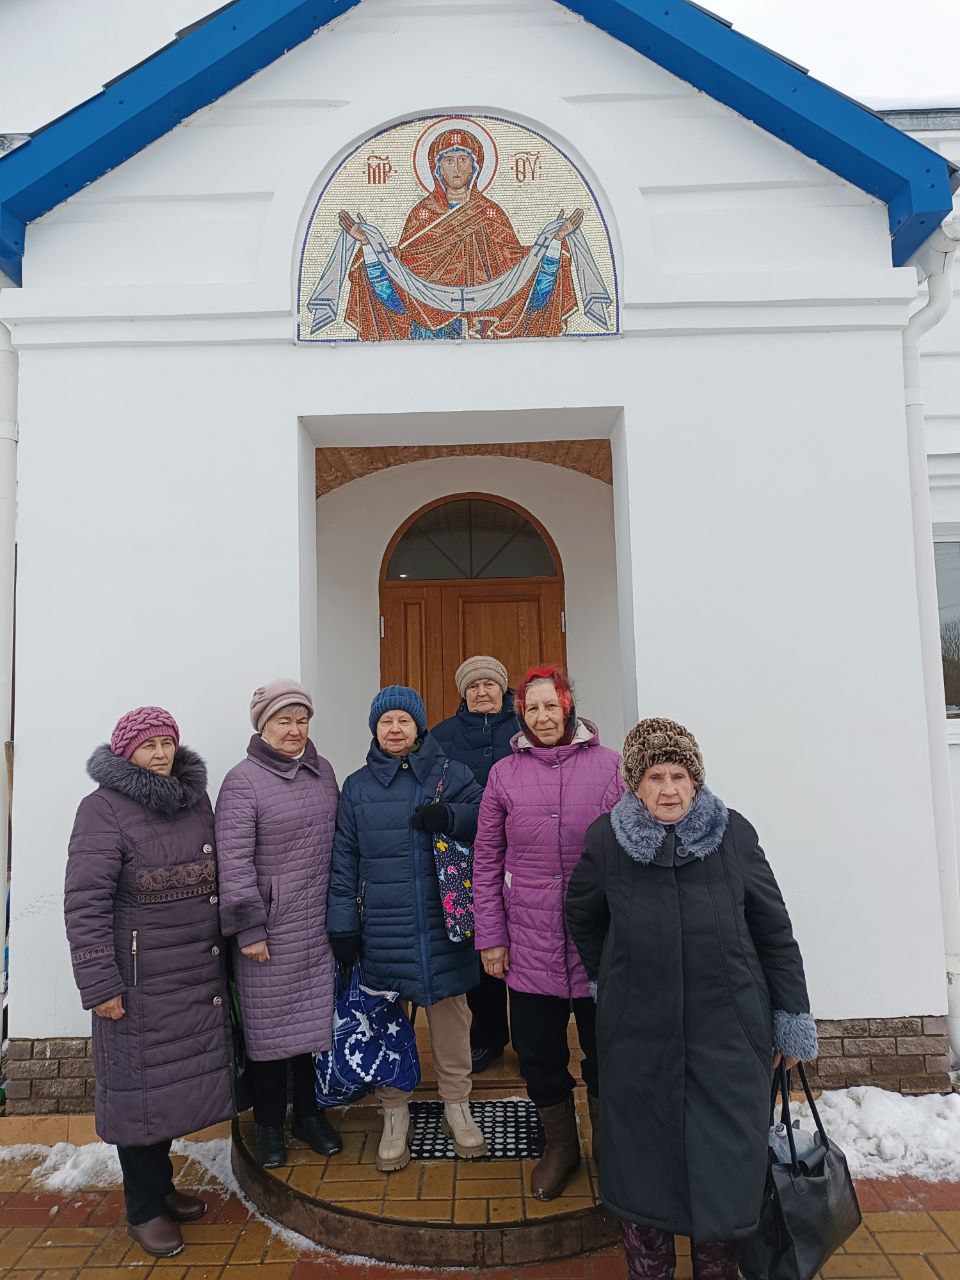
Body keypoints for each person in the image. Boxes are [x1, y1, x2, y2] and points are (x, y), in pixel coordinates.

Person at [564, 718, 818, 1280]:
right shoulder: (608, 840)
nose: (669, 789)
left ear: (696, 779)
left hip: (727, 1039)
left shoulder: (733, 835)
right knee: (644, 1185)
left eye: (679, 775)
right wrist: (613, 978)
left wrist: (790, 1020)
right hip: (639, 1043)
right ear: (635, 783)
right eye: (655, 776)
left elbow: (774, 930)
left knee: (725, 1186)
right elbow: (582, 915)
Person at [64, 707, 235, 1260]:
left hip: (191, 971)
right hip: (137, 982)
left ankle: (161, 1188)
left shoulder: (192, 801)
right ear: (125, 752)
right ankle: (142, 1209)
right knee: (138, 1091)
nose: (160, 753)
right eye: (148, 745)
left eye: (167, 742)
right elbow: (85, 904)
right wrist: (100, 985)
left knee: (167, 1088)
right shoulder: (102, 810)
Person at [472, 665, 624, 1200]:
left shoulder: (612, 769)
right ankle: (559, 1146)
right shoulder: (504, 776)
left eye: (550, 706)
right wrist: (491, 936)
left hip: (598, 943)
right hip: (530, 943)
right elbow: (486, 859)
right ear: (522, 715)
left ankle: (610, 1143)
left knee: (607, 1049)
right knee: (538, 1052)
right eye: (532, 708)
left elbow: (629, 851)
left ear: (568, 707)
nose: (542, 717)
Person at [327, 685, 487, 1172]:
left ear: (419, 726)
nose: (395, 730)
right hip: (384, 928)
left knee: (452, 1020)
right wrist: (343, 925)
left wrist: (450, 816)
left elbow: (487, 821)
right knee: (385, 1024)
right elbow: (343, 860)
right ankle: (394, 1113)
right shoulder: (356, 787)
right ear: (374, 730)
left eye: (403, 720)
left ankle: (457, 1105)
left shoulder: (450, 774)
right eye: (385, 722)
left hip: (443, 926)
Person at [216, 679, 342, 1170]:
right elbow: (234, 860)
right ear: (263, 726)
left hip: (316, 927)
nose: (295, 729)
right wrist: (249, 930)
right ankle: (269, 1125)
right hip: (268, 932)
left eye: (301, 719)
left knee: (310, 1032)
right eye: (284, 720)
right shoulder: (242, 780)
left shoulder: (322, 771)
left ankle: (308, 1118)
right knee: (269, 1038)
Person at [336, 125, 583, 340]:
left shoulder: (490, 214)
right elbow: (398, 291)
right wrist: (370, 246)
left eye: (463, 159)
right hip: (429, 331)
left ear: (475, 167)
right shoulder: (421, 215)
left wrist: (554, 242)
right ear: (437, 168)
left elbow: (524, 285)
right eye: (449, 160)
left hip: (486, 329)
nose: (456, 168)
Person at [431, 655, 516, 1073]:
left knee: (525, 942)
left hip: (523, 852)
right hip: (467, 853)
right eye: (474, 686)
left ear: (504, 690)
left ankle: (533, 1036)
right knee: (482, 942)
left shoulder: (525, 730)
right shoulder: (442, 736)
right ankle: (487, 1036)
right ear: (463, 693)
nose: (482, 693)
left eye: (490, 685)